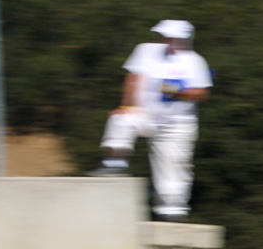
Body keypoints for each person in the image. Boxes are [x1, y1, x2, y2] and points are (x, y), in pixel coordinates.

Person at [90, 19, 212, 222]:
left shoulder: (195, 61)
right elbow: (132, 79)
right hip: (145, 114)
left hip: (177, 125)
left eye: (173, 37)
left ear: (184, 39)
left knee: (174, 166)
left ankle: (172, 211)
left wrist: (178, 92)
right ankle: (115, 163)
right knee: (121, 120)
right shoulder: (145, 50)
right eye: (165, 36)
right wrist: (126, 107)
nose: (167, 40)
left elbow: (201, 93)